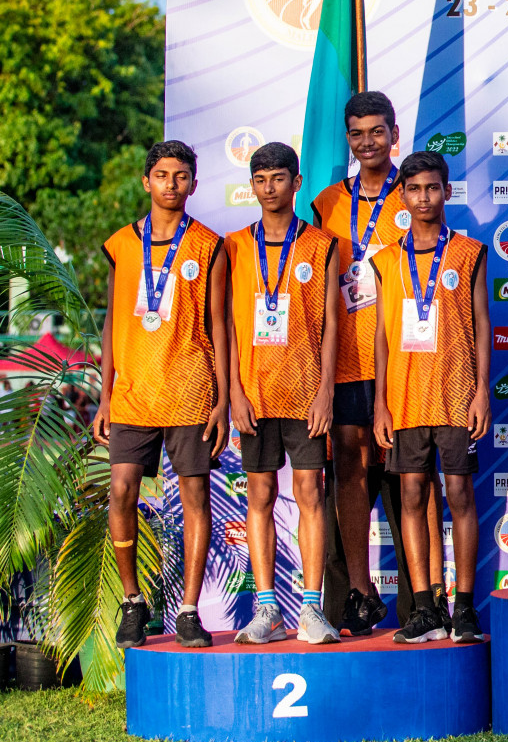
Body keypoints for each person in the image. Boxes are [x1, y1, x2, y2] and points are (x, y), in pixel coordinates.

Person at [311, 91, 447, 632]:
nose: (368, 142)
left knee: (414, 474)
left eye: (377, 131)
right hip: (345, 358)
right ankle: (359, 595)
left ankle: (426, 597)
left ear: (395, 132)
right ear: (348, 139)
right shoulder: (326, 202)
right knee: (347, 467)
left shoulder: (411, 194)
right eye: (357, 133)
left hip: (405, 358)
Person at [94, 140, 229, 648]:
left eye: (181, 176)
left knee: (195, 496)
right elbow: (111, 322)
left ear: (193, 184)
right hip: (132, 394)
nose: (171, 185)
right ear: (146, 181)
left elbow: (218, 327)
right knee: (122, 490)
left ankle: (191, 611)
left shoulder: (210, 245)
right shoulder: (121, 244)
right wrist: (105, 395)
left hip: (192, 390)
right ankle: (133, 602)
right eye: (162, 175)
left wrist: (221, 400)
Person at [225, 142, 342, 645]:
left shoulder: (322, 245)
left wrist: (325, 393)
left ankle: (312, 609)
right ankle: (269, 608)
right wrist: (235, 391)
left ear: (297, 183)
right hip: (255, 393)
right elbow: (225, 328)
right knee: (260, 494)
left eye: (279, 178)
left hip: (305, 395)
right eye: (261, 179)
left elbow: (334, 324)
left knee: (311, 493)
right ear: (251, 186)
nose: (269, 187)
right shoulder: (232, 247)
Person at [371, 151, 490, 642]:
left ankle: (463, 606)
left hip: (457, 393)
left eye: (433, 188)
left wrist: (483, 391)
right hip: (403, 396)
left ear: (446, 191)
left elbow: (482, 323)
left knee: (459, 494)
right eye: (415, 188)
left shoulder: (469, 252)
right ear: (402, 195)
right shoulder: (385, 260)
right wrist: (379, 401)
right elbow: (380, 334)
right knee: (413, 496)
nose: (424, 197)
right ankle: (424, 606)